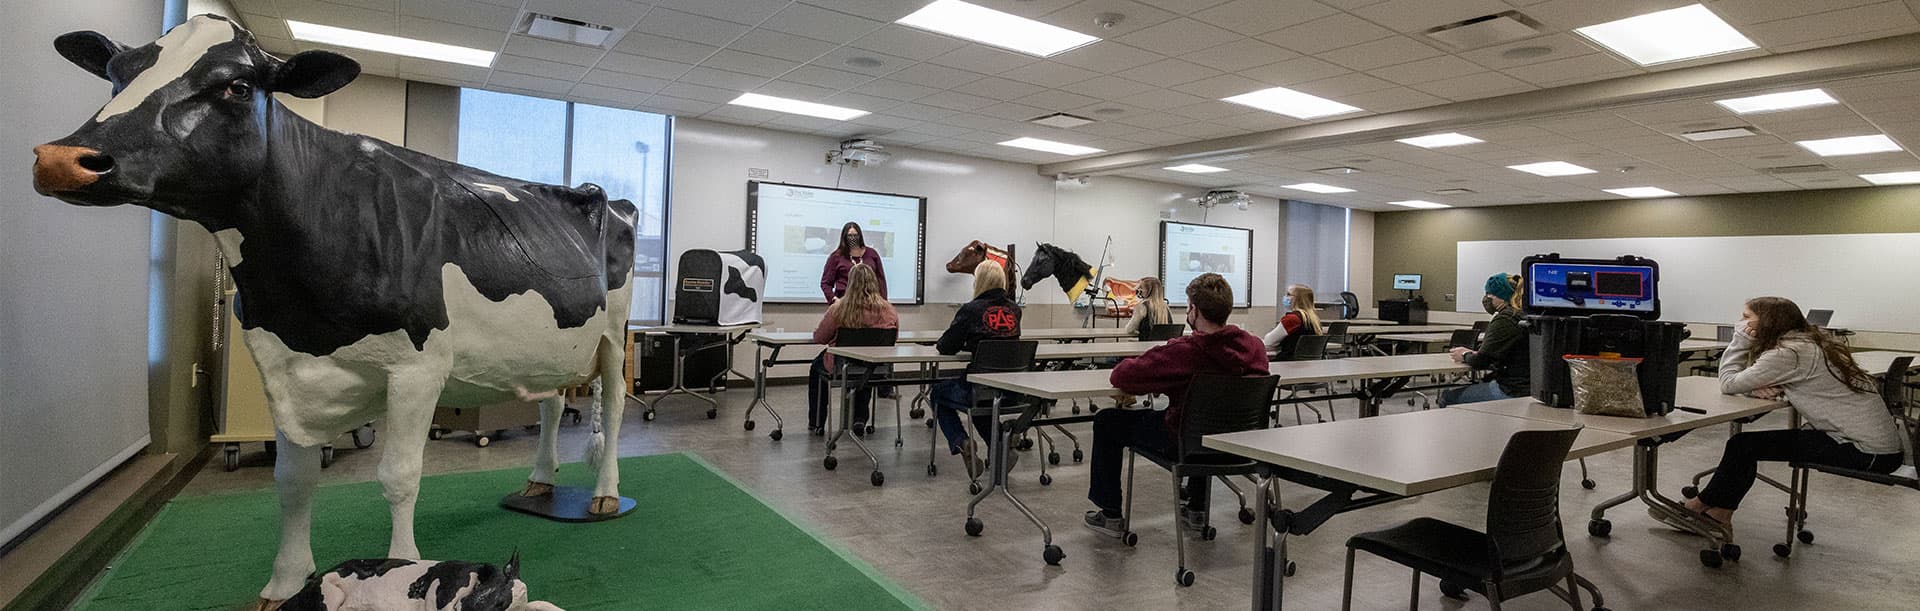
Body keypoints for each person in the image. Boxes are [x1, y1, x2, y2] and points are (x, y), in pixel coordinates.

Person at [1669, 296, 1904, 532]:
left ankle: (1700, 506)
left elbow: (1728, 383)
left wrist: (1739, 342)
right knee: (1746, 446)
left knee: (1743, 446)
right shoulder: (1813, 344)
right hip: (1880, 448)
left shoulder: (1788, 353)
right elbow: (1812, 386)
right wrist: (1768, 387)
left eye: (1746, 317)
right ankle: (1719, 513)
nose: (1740, 322)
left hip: (1865, 451)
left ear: (1768, 322)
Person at [1084, 273, 1271, 536]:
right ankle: (1196, 510)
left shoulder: (1187, 352)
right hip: (1239, 442)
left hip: (1185, 442)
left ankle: (1110, 514)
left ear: (1193, 309)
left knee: (1107, 421)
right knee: (1206, 421)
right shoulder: (1255, 348)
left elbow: (1122, 376)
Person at [929, 260, 1023, 478]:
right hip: (1011, 390)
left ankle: (961, 441)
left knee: (938, 393)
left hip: (978, 387)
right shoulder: (1015, 310)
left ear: (978, 281)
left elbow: (945, 346)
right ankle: (1000, 444)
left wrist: (968, 341)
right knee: (984, 400)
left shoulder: (971, 310)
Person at [807, 264, 898, 437]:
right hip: (877, 369)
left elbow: (820, 338)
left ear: (850, 283)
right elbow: (893, 340)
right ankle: (859, 419)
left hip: (842, 367)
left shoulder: (839, 309)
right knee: (866, 366)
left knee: (816, 367)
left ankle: (817, 422)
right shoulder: (889, 310)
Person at [1440, 273, 1528, 406]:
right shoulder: (1526, 315)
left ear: (1502, 297)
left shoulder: (1505, 319)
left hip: (1513, 390)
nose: (1487, 298)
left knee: (1447, 397)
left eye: (1490, 294)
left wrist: (1464, 355)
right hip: (1531, 388)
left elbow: (1480, 362)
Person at [820, 221, 887, 305]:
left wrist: (883, 303)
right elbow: (826, 283)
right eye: (849, 236)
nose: (852, 238)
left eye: (855, 235)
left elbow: (881, 281)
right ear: (844, 237)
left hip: (870, 305)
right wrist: (834, 300)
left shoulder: (872, 254)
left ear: (860, 236)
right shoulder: (836, 257)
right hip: (845, 305)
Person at [1262, 284, 1324, 355]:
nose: (1285, 297)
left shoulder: (1292, 319)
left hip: (1288, 363)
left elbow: (1268, 342)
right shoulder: (1314, 319)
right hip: (1308, 363)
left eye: (1288, 294)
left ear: (1298, 299)